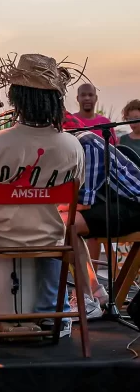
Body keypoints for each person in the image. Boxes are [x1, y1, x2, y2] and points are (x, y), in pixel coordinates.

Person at [0, 54, 85, 337]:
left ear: (15, 98)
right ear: (56, 100)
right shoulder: (73, 146)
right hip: (48, 238)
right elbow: (71, 195)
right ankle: (48, 312)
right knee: (56, 235)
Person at [61, 113, 140, 318]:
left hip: (133, 207)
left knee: (65, 224)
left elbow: (83, 203)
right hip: (117, 203)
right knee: (64, 222)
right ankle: (94, 292)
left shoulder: (86, 144)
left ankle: (86, 297)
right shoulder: (73, 148)